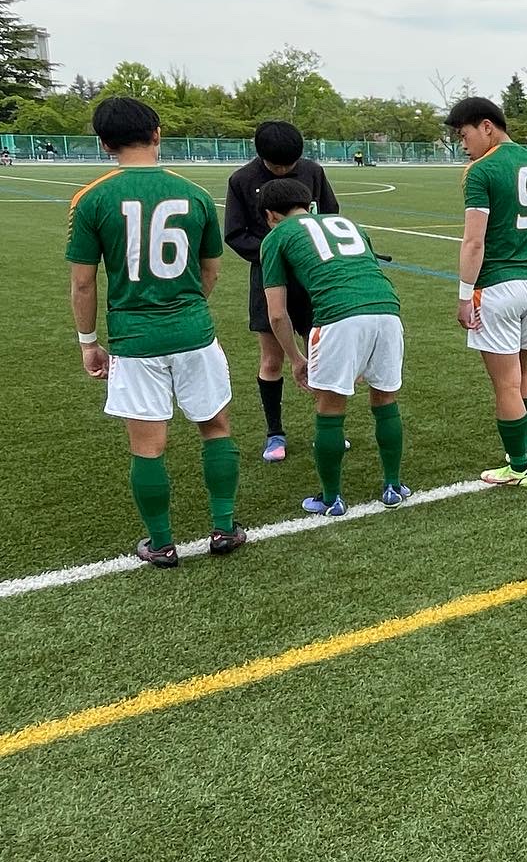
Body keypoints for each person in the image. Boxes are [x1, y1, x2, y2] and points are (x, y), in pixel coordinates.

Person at [64, 97, 244, 567]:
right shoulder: (196, 194)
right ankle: (225, 528)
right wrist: (187, 308)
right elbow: (211, 270)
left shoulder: (91, 198)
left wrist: (88, 343)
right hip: (194, 333)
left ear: (104, 144)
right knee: (215, 428)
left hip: (134, 340)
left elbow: (83, 283)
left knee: (148, 446)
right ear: (157, 133)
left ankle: (162, 544)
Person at [257, 178, 408, 516]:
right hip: (388, 310)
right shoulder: (349, 223)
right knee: (385, 401)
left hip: (338, 317)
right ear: (308, 205)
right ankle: (393, 486)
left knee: (330, 408)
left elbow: (277, 314)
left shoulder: (276, 237)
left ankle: (331, 498)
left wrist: (296, 358)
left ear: (270, 215)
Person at [447, 96, 527, 482]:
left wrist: (464, 296)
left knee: (506, 384)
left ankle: (517, 467)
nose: (463, 145)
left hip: (497, 288)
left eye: (463, 135)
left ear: (487, 126)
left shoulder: (481, 171)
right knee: (525, 374)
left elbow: (473, 242)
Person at [225, 121, 340, 462]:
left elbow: (329, 215)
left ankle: (327, 429)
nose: (284, 170)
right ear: (261, 157)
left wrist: (306, 252)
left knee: (320, 356)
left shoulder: (313, 172)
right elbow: (235, 234)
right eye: (277, 166)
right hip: (270, 279)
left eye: (290, 165)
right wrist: (276, 251)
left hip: (312, 278)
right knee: (272, 359)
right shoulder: (242, 180)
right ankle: (275, 434)